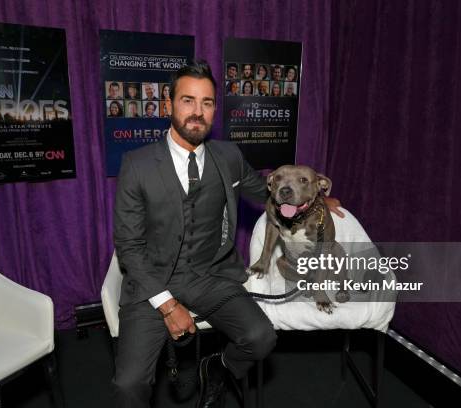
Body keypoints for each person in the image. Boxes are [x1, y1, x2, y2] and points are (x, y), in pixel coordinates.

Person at [112, 60, 343, 408]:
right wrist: (167, 304)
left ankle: (217, 368)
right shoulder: (137, 164)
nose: (197, 112)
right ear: (168, 104)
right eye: (188, 100)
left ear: (214, 109)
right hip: (152, 282)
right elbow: (128, 245)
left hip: (209, 274)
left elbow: (266, 189)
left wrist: (316, 197)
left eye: (206, 103)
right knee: (129, 384)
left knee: (261, 337)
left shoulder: (228, 155)